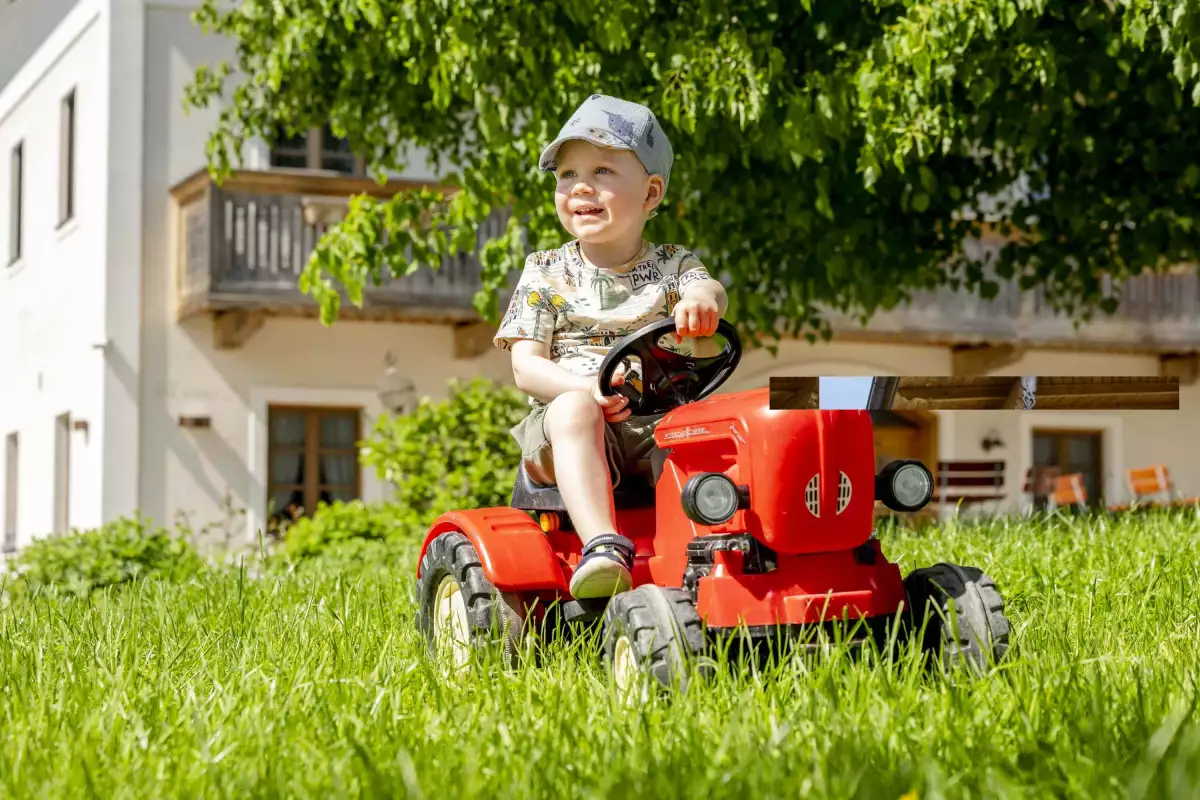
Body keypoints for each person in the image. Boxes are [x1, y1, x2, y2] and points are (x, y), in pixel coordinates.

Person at [492, 94, 728, 599]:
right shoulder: (545, 271)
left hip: (655, 420)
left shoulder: (672, 265)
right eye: (566, 174)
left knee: (709, 422)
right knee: (575, 410)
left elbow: (708, 289)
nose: (580, 185)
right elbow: (526, 368)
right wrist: (586, 389)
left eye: (602, 170)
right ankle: (603, 546)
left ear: (650, 193)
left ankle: (712, 542)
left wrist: (701, 302)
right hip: (566, 432)